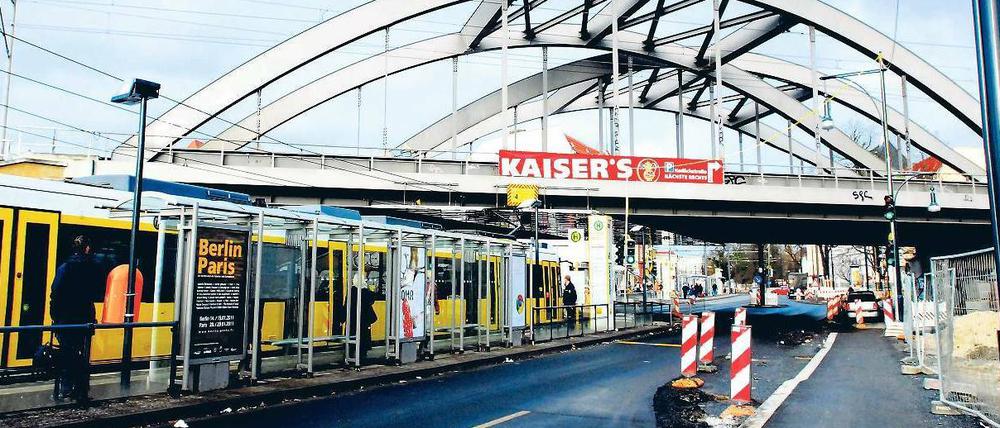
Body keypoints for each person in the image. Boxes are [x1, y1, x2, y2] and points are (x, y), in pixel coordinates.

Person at [49, 235, 104, 401]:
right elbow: (95, 292)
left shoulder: (65, 267)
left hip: (65, 319)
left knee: (67, 354)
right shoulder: (93, 267)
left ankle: (65, 389)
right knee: (82, 355)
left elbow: (55, 292)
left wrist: (55, 316)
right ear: (87, 248)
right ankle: (81, 390)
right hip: (84, 318)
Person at [348, 279, 378, 364]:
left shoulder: (351, 292)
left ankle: (351, 356)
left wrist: (342, 319)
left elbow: (346, 305)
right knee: (364, 339)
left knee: (352, 337)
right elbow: (373, 298)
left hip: (353, 321)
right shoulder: (365, 292)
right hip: (364, 321)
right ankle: (362, 358)